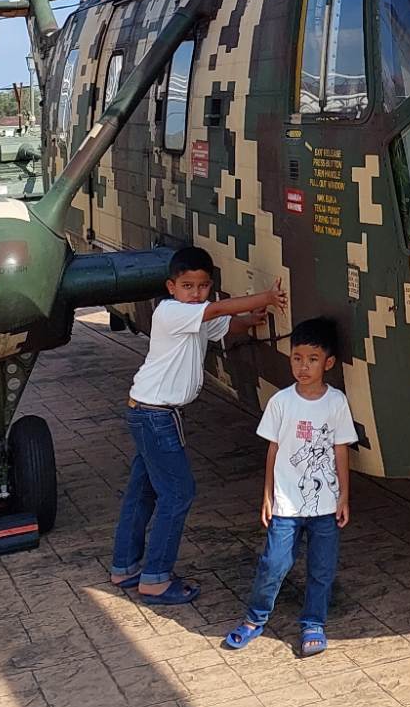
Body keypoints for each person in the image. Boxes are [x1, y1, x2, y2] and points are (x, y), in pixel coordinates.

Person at [111, 246, 286, 604]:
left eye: (203, 286)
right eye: (188, 286)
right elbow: (219, 310)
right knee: (178, 494)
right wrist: (267, 295)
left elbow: (224, 323)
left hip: (151, 414)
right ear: (171, 287)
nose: (196, 294)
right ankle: (156, 579)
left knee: (143, 490)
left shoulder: (194, 316)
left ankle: (125, 566)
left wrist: (250, 319)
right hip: (155, 416)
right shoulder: (170, 312)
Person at [221, 316, 357, 656]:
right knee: (274, 563)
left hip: (325, 505)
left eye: (312, 359)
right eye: (297, 357)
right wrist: (267, 494)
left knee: (322, 569)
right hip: (285, 503)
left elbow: (341, 450)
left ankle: (314, 623)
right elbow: (274, 449)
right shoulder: (282, 402)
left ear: (328, 363)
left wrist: (344, 496)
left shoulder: (336, 402)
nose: (303, 366)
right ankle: (254, 619)